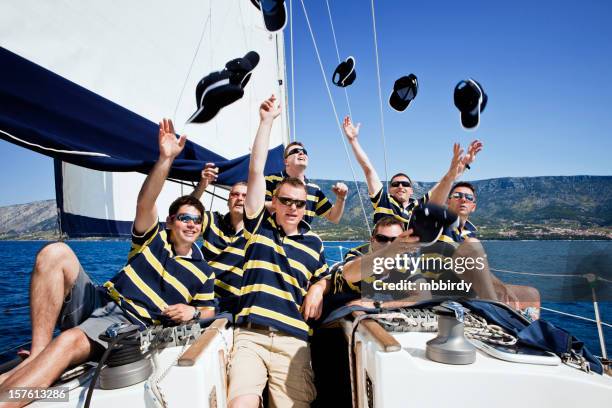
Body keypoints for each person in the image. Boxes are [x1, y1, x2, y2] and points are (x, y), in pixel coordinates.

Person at [0, 119, 216, 406]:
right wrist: (166, 159)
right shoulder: (153, 240)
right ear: (170, 222)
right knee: (54, 252)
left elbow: (209, 313)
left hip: (128, 323)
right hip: (100, 299)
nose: (191, 224)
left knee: (69, 341)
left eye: (197, 220)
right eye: (184, 218)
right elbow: (145, 201)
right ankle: (39, 351)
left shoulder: (203, 272)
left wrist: (192, 311)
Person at [228, 95, 330, 408]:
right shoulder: (258, 225)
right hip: (251, 337)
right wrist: (267, 122)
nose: (292, 208)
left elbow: (326, 277)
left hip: (293, 340)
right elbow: (256, 171)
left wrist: (317, 287)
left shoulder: (314, 244)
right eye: (285, 201)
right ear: (275, 201)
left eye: (299, 204)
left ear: (305, 207)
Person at [421, 182, 541, 315]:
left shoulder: (470, 232)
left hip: (465, 288)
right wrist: (453, 173)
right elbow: (430, 205)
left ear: (473, 207)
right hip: (440, 289)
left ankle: (528, 330)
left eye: (469, 197)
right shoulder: (437, 224)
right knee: (472, 244)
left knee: (531, 294)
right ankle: (495, 310)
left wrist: (501, 286)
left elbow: (480, 270)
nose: (463, 199)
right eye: (457, 195)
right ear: (448, 201)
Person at [342, 116, 483, 225]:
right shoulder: (382, 201)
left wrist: (463, 164)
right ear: (390, 189)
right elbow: (368, 169)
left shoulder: (420, 205)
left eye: (405, 184)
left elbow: (444, 184)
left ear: (412, 191)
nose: (401, 186)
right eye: (395, 184)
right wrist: (353, 141)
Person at [331, 216, 429, 309]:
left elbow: (424, 296)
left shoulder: (407, 262)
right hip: (341, 303)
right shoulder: (358, 253)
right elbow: (350, 274)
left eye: (396, 241)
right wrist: (388, 252)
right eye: (382, 239)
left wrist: (378, 305)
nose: (389, 244)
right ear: (372, 240)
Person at [191, 168, 248, 312]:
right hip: (199, 295)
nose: (240, 198)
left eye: (245, 196)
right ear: (228, 200)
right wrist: (202, 185)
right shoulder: (212, 220)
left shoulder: (257, 234)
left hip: (231, 305)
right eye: (235, 194)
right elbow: (186, 212)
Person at [265, 141, 348, 225]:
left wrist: (341, 198)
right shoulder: (271, 180)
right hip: (273, 236)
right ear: (286, 161)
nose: (301, 153)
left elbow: (333, 217)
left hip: (301, 237)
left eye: (304, 152)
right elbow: (259, 207)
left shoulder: (314, 189)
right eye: (295, 151)